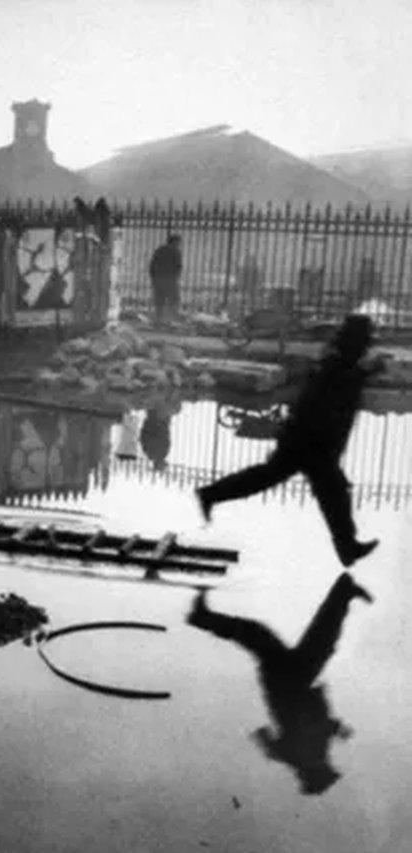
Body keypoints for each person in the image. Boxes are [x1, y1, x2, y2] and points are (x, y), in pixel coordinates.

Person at [196, 314, 385, 567]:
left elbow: (341, 385)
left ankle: (211, 494)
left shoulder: (339, 362)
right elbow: (333, 393)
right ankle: (347, 547)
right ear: (357, 342)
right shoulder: (339, 365)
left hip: (308, 441)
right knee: (332, 492)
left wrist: (364, 372)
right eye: (366, 340)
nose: (368, 345)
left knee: (273, 479)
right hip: (311, 443)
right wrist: (367, 371)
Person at [187, 573, 373, 796]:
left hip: (286, 684)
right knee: (319, 639)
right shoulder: (311, 753)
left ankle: (201, 617)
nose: (329, 765)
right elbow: (308, 729)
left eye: (327, 770)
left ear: (316, 772)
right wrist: (335, 729)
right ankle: (344, 592)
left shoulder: (300, 757)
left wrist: (333, 730)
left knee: (278, 637)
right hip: (296, 681)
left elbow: (275, 738)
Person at [149, 234, 182, 325]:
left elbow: (152, 265)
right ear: (174, 242)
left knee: (159, 300)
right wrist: (176, 278)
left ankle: (158, 319)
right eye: (178, 242)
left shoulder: (159, 250)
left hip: (158, 279)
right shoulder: (175, 251)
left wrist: (153, 278)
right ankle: (170, 319)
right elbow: (178, 266)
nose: (179, 244)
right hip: (170, 280)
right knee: (173, 299)